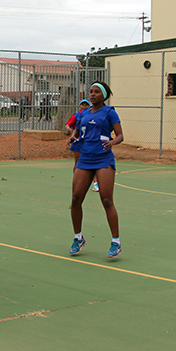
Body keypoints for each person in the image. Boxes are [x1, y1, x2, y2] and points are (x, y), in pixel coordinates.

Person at [68, 81, 123, 258]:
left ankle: (116, 242)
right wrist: (72, 137)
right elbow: (77, 131)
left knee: (106, 200)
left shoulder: (110, 112)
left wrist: (112, 142)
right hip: (85, 158)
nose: (92, 94)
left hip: (103, 158)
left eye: (96, 92)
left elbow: (120, 135)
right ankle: (78, 238)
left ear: (104, 95)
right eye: (91, 91)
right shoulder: (83, 113)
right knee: (76, 199)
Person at [66, 99, 98, 191]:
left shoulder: (92, 115)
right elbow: (73, 126)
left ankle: (95, 183)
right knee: (78, 163)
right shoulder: (77, 115)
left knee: (92, 163)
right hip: (78, 142)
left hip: (88, 143)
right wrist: (71, 133)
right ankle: (77, 181)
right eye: (82, 105)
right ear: (80, 106)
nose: (84, 106)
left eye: (86, 105)